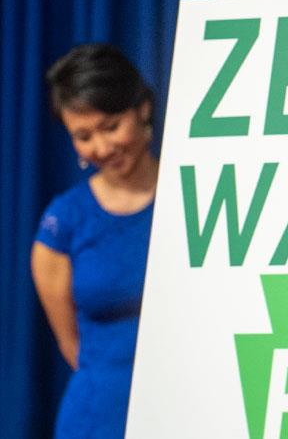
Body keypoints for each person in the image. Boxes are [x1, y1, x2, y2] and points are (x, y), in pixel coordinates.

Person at [30, 44, 158, 439]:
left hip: (192, 407)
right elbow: (74, 348)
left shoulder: (201, 194)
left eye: (111, 126)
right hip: (99, 417)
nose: (101, 148)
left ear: (142, 109)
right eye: (83, 136)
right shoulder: (63, 222)